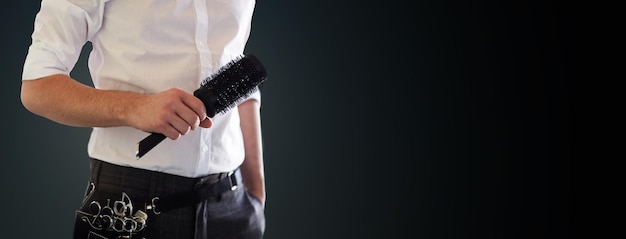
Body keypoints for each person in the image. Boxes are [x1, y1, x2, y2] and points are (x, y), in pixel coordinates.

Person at [20, 0, 265, 238]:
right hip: (130, 202)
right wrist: (135, 107)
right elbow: (37, 87)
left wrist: (256, 192)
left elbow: (235, 64)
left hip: (233, 203)